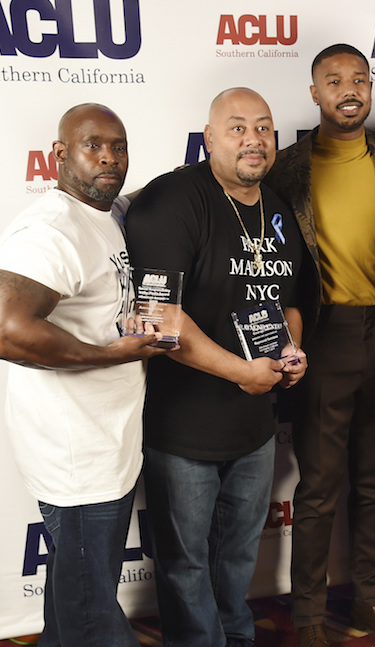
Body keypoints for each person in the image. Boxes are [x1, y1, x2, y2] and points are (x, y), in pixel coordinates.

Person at [0, 103, 171, 646]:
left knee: (74, 593)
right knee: (90, 613)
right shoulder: (51, 227)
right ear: (60, 154)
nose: (108, 157)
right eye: (93, 146)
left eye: (119, 146)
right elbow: (3, 331)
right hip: (76, 458)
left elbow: (144, 195)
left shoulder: (105, 213)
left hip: (102, 445)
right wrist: (114, 353)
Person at [124, 87, 308, 647]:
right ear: (208, 139)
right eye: (237, 128)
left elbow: (293, 299)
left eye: (264, 127)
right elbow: (158, 317)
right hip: (184, 427)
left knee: (237, 553)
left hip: (253, 425)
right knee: (185, 564)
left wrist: (291, 352)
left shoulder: (275, 207)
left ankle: (237, 635)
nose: (253, 139)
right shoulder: (173, 200)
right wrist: (240, 372)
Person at [265, 44, 375, 647]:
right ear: (315, 93)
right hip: (321, 339)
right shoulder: (285, 169)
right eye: (334, 80)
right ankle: (308, 619)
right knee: (319, 485)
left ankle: (371, 604)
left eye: (359, 78)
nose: (348, 89)